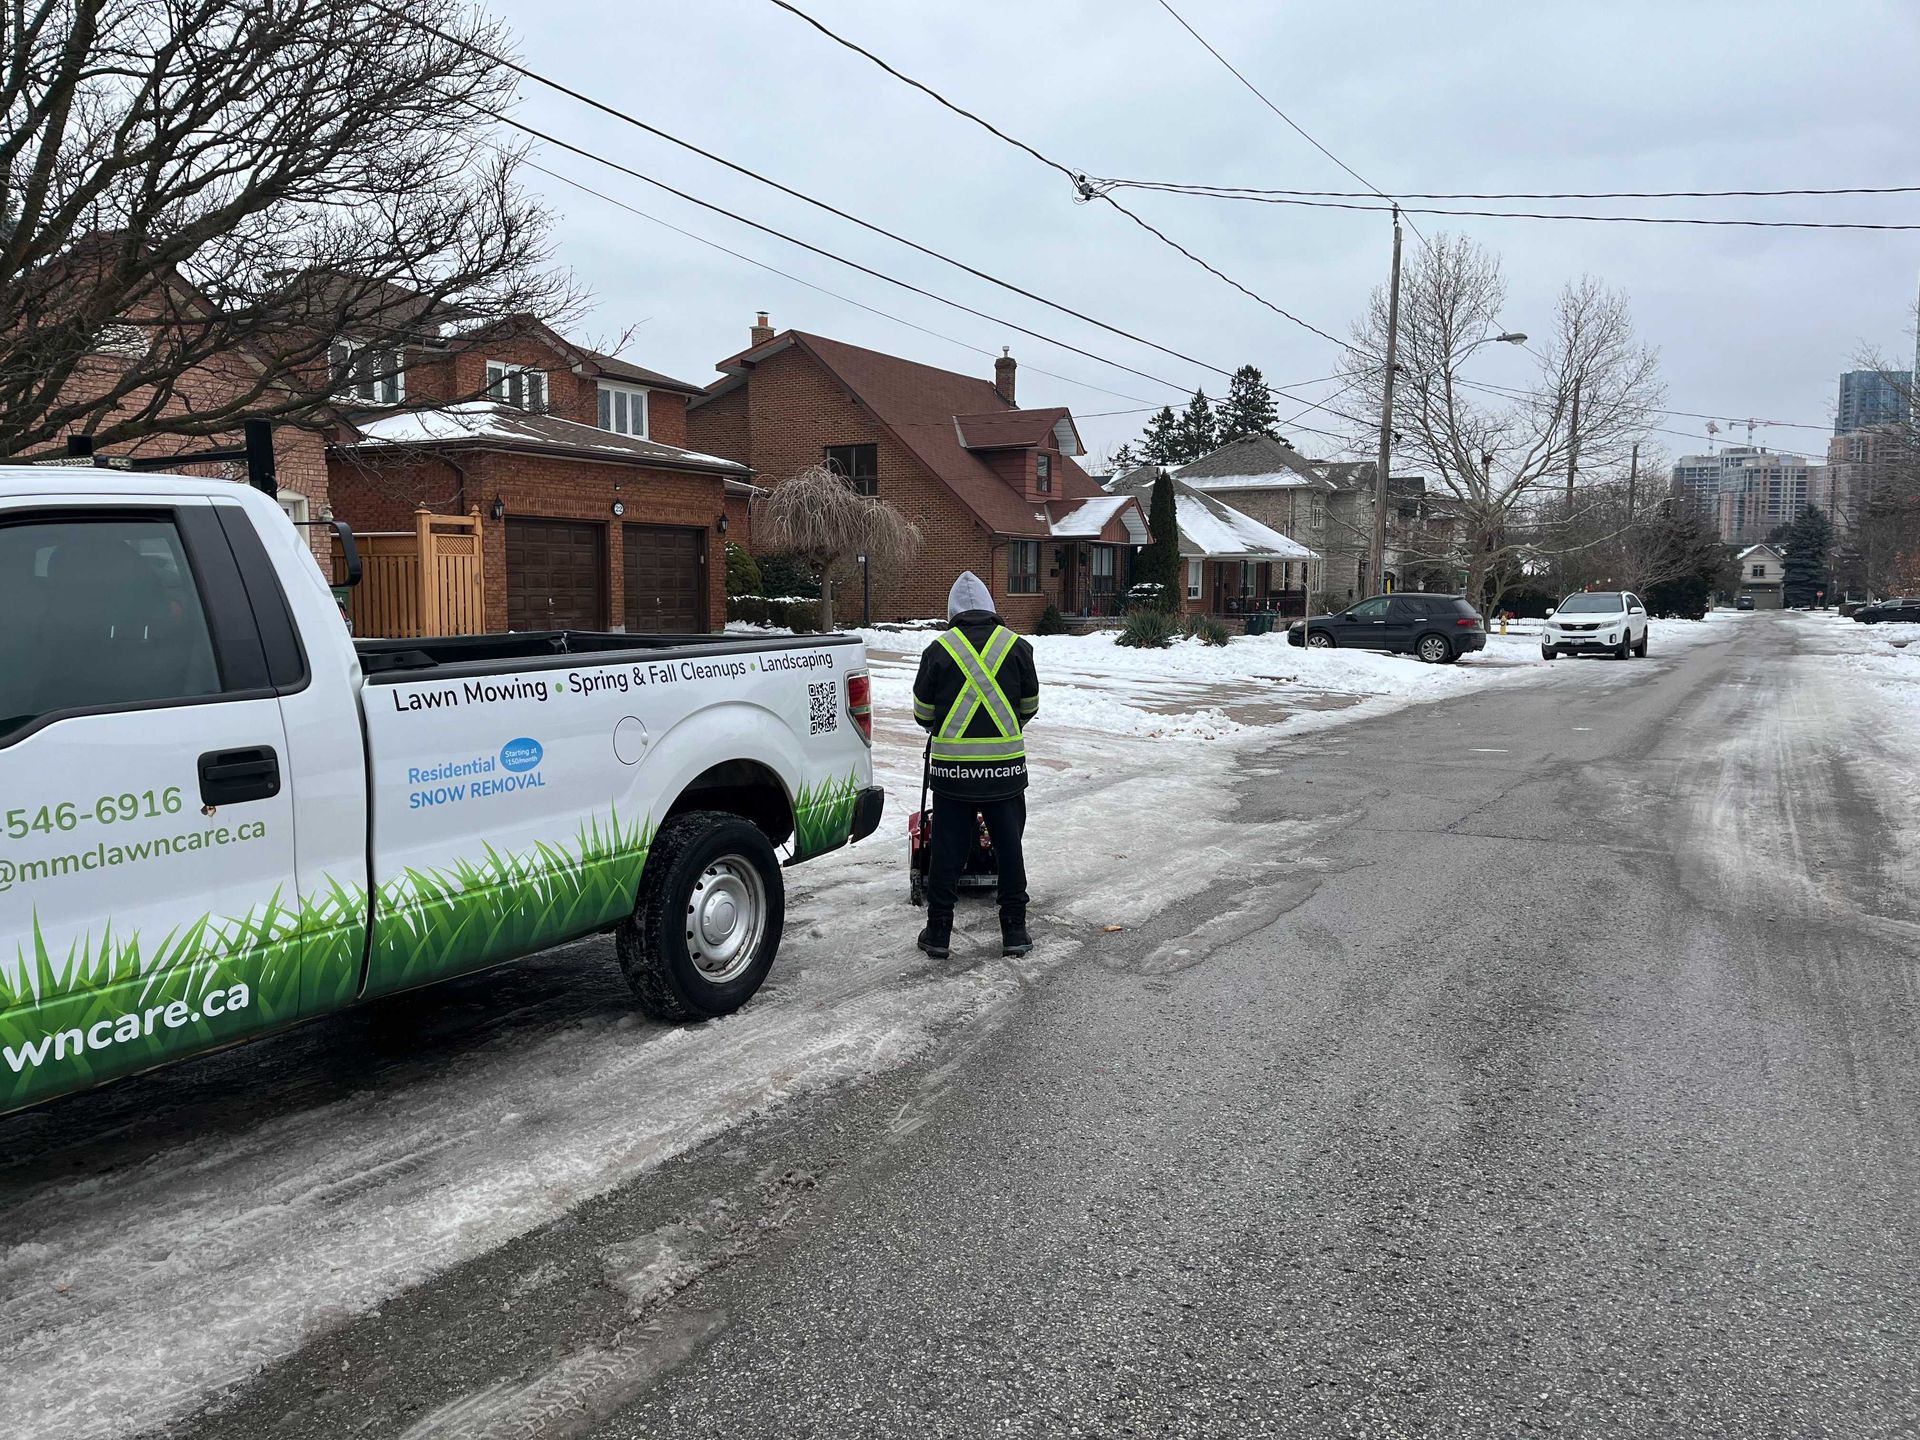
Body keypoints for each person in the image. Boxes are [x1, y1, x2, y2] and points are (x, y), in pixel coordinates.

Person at [912, 571, 1039, 959]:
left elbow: (923, 712)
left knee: (948, 853)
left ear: (953, 613)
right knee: (1009, 849)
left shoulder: (938, 650)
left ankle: (938, 933)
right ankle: (1014, 932)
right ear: (991, 608)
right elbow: (1029, 706)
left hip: (953, 777)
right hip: (1005, 775)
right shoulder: (1018, 647)